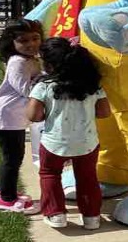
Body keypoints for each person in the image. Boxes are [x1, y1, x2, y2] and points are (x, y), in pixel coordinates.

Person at [28, 37, 111, 230]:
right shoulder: (93, 87)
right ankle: (91, 216)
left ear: (49, 65)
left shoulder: (44, 87)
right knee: (87, 177)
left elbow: (33, 115)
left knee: (50, 174)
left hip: (53, 142)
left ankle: (56, 214)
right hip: (87, 142)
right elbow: (104, 112)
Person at [0, 19, 44, 214]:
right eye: (23, 41)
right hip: (5, 116)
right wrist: (47, 81)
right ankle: (6, 200)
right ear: (12, 43)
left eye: (35, 38)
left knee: (13, 156)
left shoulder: (30, 59)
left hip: (12, 116)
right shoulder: (18, 62)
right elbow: (26, 90)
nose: (31, 44)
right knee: (13, 158)